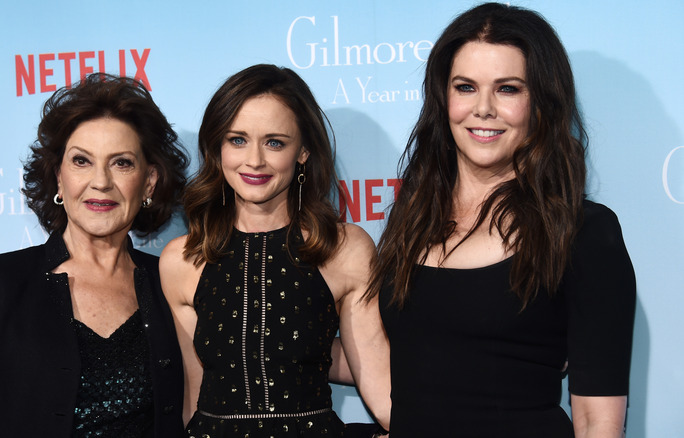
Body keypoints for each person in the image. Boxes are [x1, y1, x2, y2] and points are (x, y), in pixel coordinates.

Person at [367, 3, 636, 438]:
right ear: (443, 98)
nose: (484, 108)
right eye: (465, 87)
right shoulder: (412, 218)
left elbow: (596, 420)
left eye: (508, 89)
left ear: (542, 103)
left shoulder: (583, 231)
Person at [0, 73, 188, 437]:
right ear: (59, 177)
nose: (101, 181)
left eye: (121, 162)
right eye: (82, 161)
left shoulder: (171, 284)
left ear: (149, 181)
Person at [160, 64, 391, 437]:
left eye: (274, 142)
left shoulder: (343, 248)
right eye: (237, 140)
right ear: (217, 149)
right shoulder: (183, 259)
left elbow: (378, 383)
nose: (254, 160)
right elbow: (193, 389)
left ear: (303, 152)